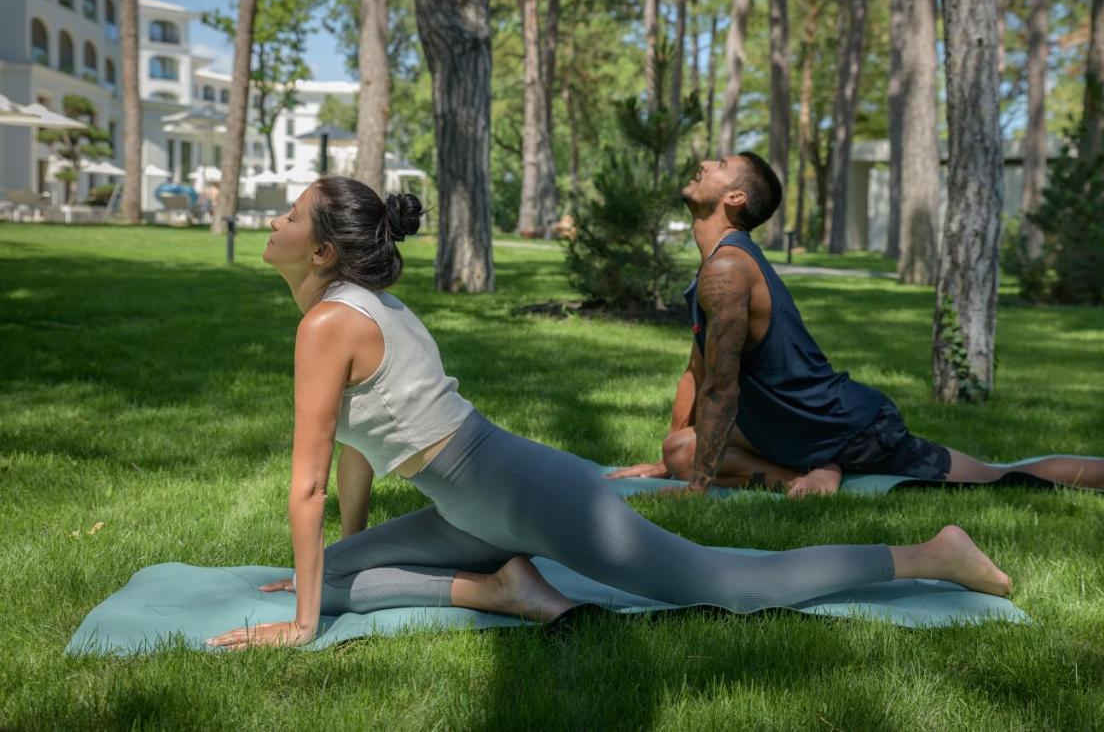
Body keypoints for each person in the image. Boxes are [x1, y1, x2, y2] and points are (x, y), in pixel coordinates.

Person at [207, 176, 1011, 649]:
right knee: (333, 574)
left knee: (730, 582)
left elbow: (304, 485)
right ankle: (505, 585)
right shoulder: (352, 306)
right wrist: (342, 556)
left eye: (288, 215)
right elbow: (352, 451)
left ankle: (930, 553)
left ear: (320, 251)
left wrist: (305, 625)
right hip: (471, 497)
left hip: (518, 488)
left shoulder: (330, 322)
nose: (273, 220)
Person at [607, 153, 1104, 499]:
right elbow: (698, 369)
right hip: (801, 434)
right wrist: (673, 463)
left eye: (717, 164)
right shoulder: (714, 267)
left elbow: (723, 388)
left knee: (998, 476)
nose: (703, 162)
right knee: (682, 450)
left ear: (735, 199)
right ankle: (807, 473)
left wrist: (699, 489)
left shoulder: (728, 272)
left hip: (850, 429)